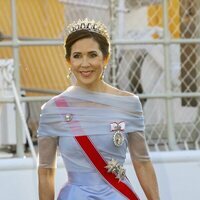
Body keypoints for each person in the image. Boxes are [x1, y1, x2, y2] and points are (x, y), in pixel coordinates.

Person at [37, 18, 160, 200]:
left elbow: (142, 162)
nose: (84, 63)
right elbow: (46, 172)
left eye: (92, 55)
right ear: (68, 61)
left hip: (118, 195)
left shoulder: (129, 103)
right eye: (77, 56)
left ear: (105, 57)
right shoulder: (54, 109)